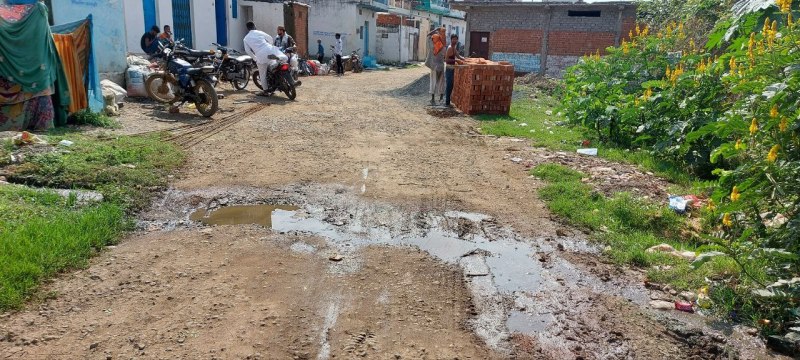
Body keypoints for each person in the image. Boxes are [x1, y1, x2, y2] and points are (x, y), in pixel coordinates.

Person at [244, 22, 286, 96]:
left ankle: (266, 91)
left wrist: (255, 58)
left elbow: (248, 51)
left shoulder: (246, 39)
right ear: (254, 26)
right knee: (281, 59)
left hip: (260, 55)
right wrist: (270, 45)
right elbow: (270, 38)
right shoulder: (259, 32)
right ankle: (281, 60)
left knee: (262, 75)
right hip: (269, 49)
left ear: (248, 29)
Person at [425, 26, 446, 105]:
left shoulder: (432, 46)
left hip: (434, 67)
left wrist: (435, 30)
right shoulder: (442, 47)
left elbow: (428, 36)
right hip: (441, 66)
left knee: (433, 82)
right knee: (441, 82)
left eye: (433, 38)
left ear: (434, 39)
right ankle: (441, 98)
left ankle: (433, 99)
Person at [444, 33, 465, 107]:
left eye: (456, 39)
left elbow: (459, 56)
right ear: (451, 39)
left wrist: (466, 59)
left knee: (451, 85)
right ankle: (447, 102)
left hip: (452, 69)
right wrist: (456, 61)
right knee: (449, 85)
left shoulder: (454, 48)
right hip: (449, 69)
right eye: (454, 39)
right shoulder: (450, 48)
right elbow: (446, 60)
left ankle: (448, 101)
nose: (455, 40)